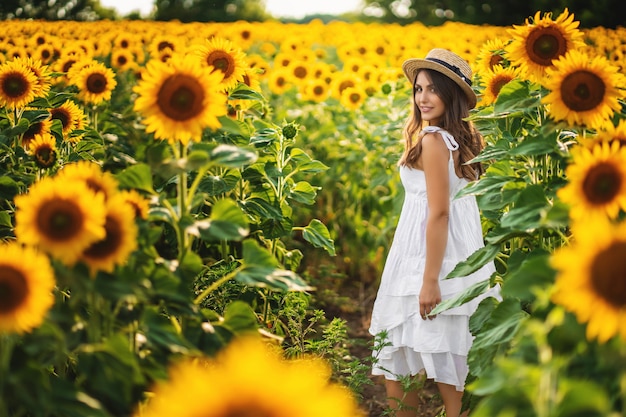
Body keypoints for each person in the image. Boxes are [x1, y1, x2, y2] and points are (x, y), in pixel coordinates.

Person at [368, 48, 501, 417]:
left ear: (451, 95)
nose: (422, 98)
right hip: (456, 255)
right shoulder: (456, 140)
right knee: (452, 360)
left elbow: (439, 213)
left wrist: (430, 281)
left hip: (428, 260)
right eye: (418, 89)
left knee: (401, 359)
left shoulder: (433, 140)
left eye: (432, 90)